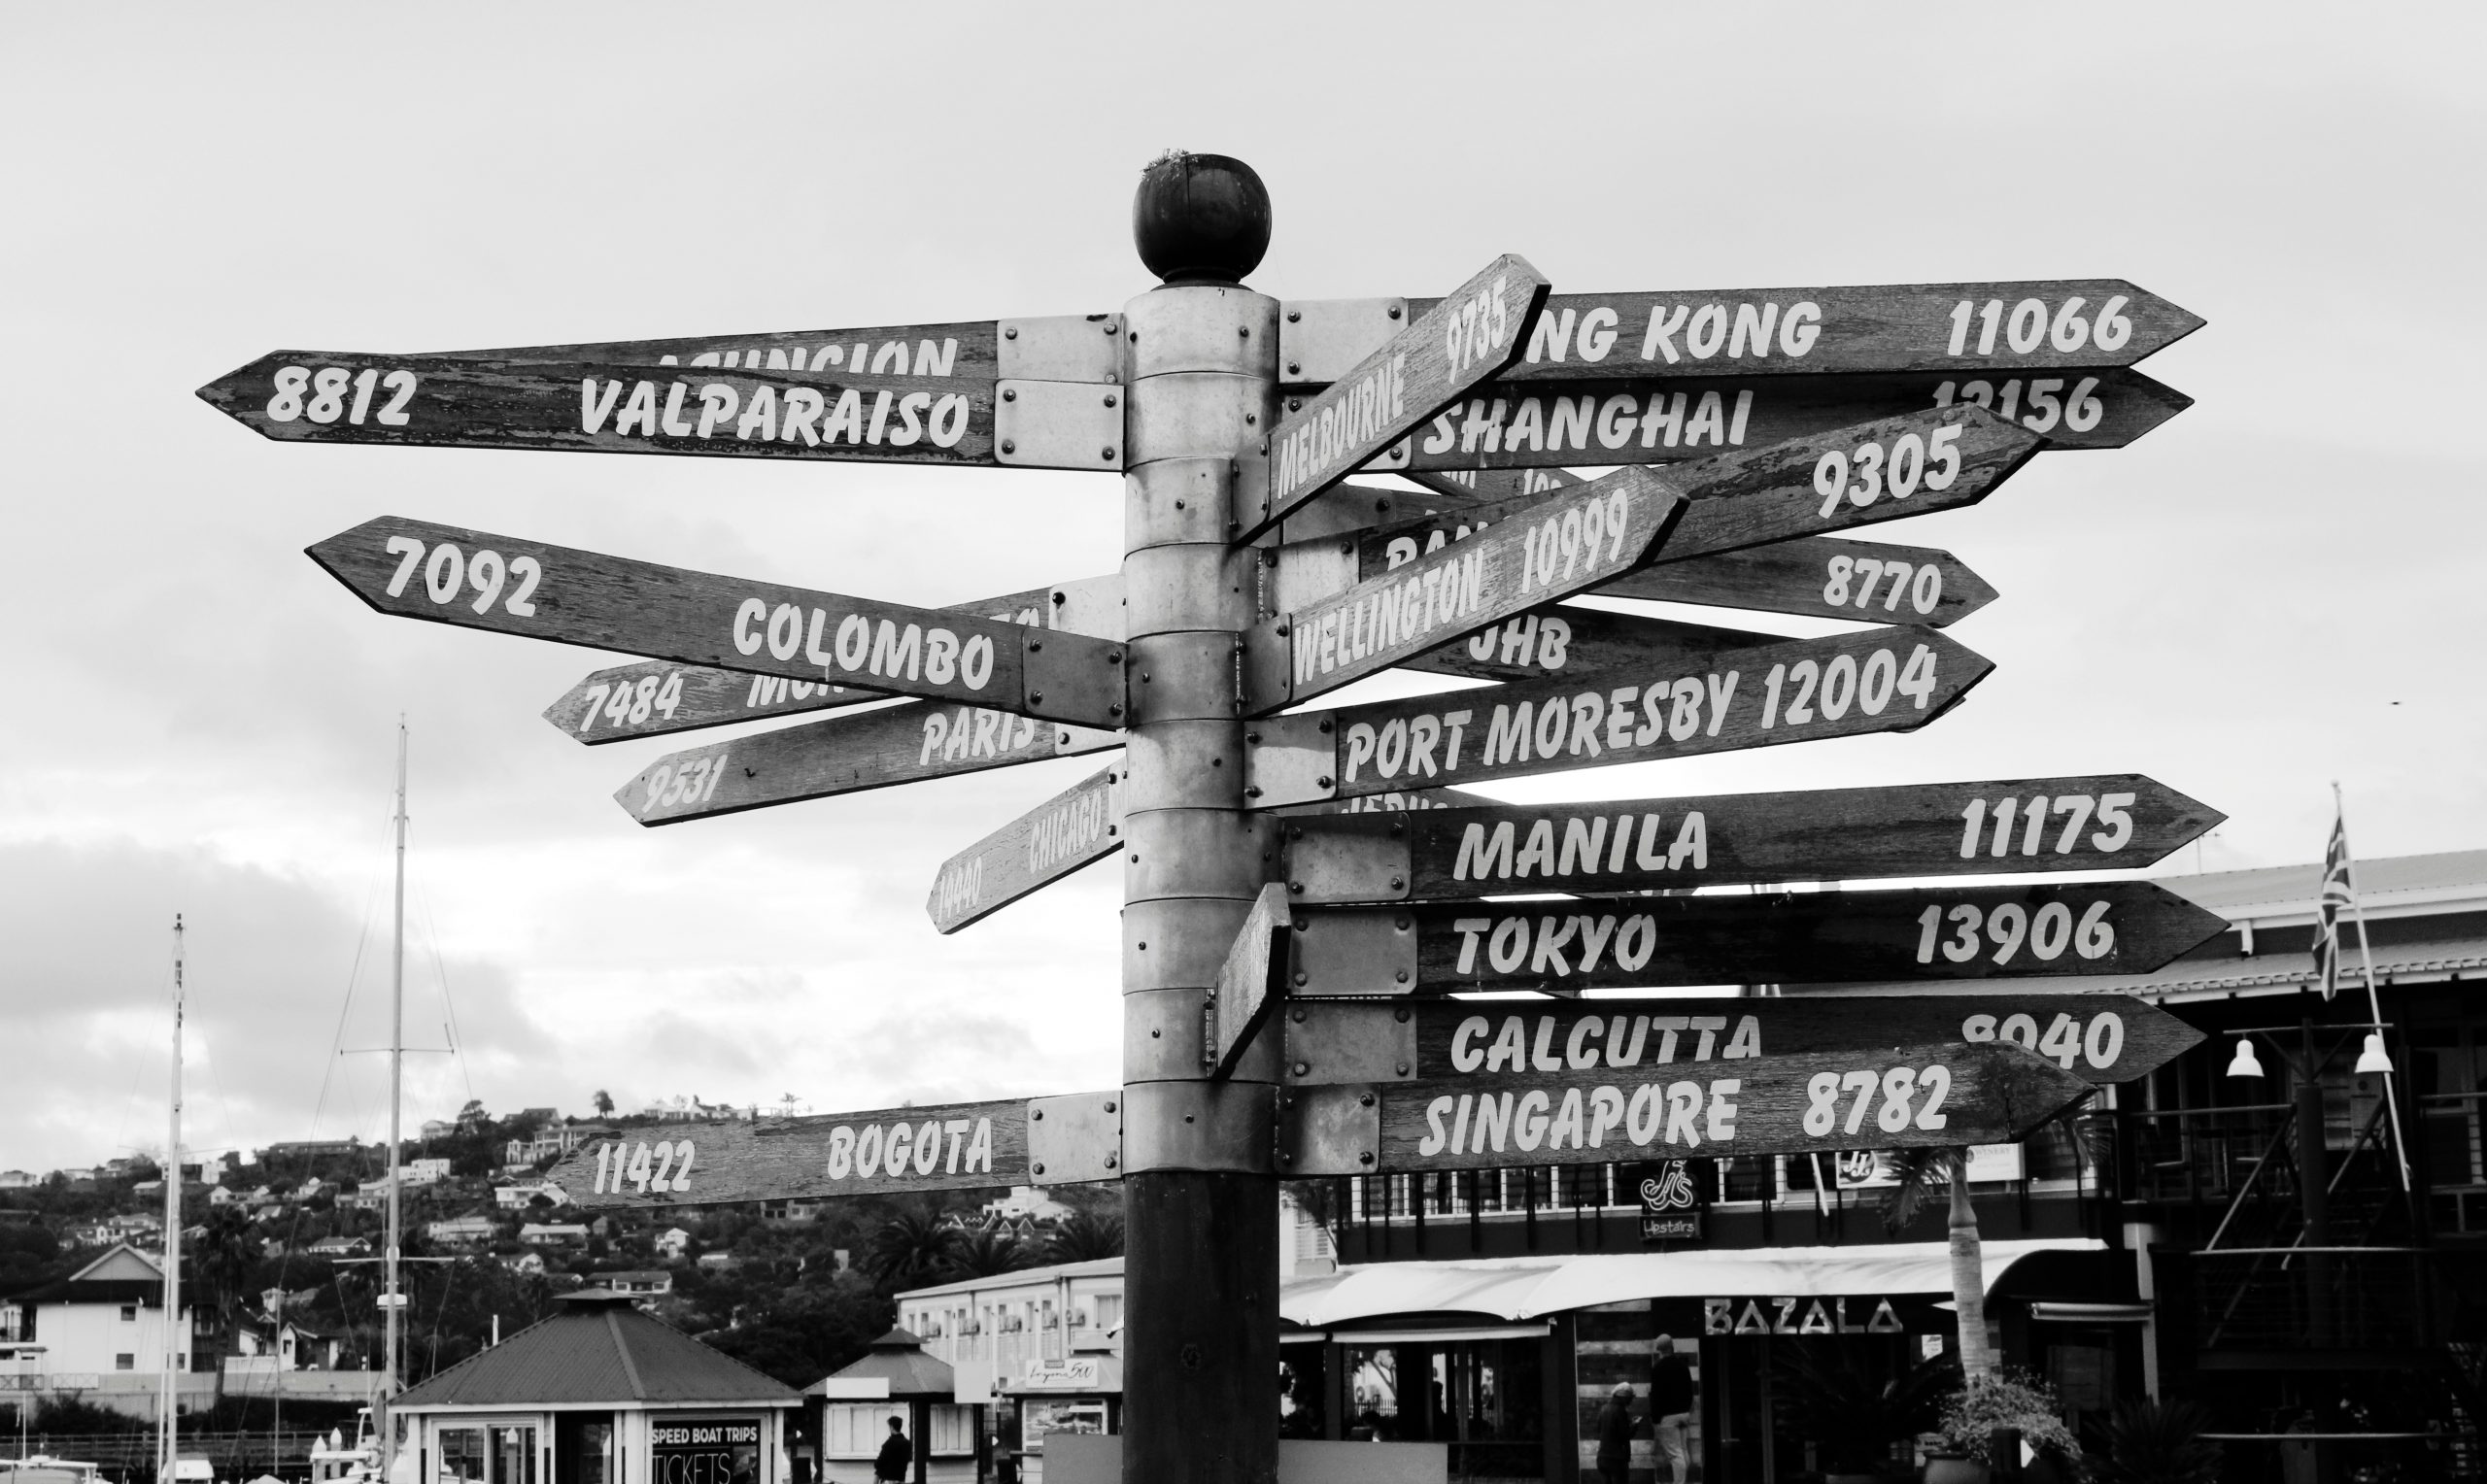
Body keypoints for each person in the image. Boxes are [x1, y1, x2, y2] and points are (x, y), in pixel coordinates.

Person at [1649, 1334, 1693, 1484]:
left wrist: (1655, 1419)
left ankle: (1679, 1483)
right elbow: (1689, 1390)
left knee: (1675, 1454)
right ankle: (1683, 1480)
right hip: (1684, 1414)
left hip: (1667, 1416)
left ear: (1659, 1350)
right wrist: (1686, 1409)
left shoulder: (1658, 1368)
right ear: (1672, 1346)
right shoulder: (1682, 1365)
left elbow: (1656, 1396)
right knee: (1683, 1449)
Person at [1594, 1382, 1637, 1484]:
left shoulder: (1603, 1408)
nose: (1631, 1401)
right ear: (1624, 1397)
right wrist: (1634, 1425)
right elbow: (1625, 1435)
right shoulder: (1620, 1410)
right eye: (1630, 1398)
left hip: (1602, 1458)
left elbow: (1599, 1430)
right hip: (1616, 1459)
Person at [872, 1416, 910, 1483]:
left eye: (889, 1427)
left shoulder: (889, 1443)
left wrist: (877, 1465)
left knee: (877, 1472)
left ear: (892, 1427)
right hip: (901, 1479)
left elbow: (879, 1463)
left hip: (889, 1479)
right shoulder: (907, 1443)